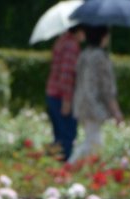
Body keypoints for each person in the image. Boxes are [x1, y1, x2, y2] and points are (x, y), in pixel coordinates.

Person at [68, 24, 123, 164]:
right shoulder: (100, 57)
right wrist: (116, 112)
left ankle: (83, 168)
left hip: (81, 103)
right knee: (93, 142)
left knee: (93, 140)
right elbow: (107, 89)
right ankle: (69, 166)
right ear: (103, 37)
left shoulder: (84, 54)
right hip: (93, 105)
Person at [45, 24, 84, 162]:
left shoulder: (61, 41)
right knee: (67, 137)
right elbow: (66, 75)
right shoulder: (71, 46)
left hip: (53, 94)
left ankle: (47, 167)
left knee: (58, 137)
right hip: (62, 97)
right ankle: (61, 170)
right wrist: (67, 100)